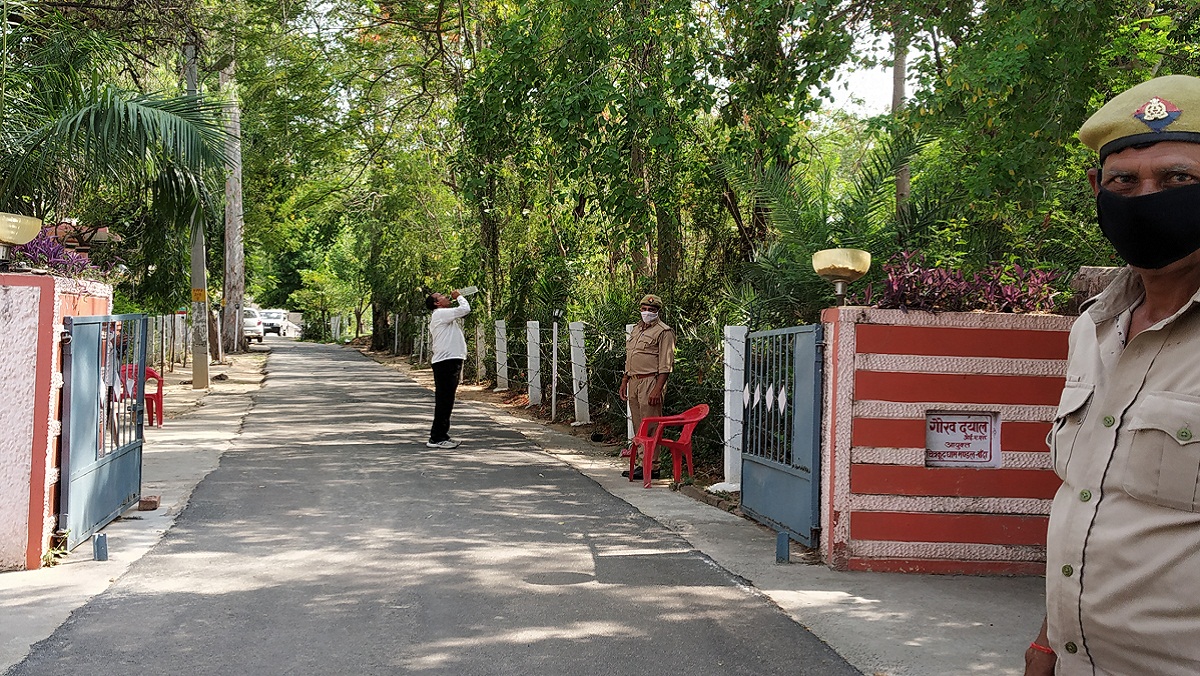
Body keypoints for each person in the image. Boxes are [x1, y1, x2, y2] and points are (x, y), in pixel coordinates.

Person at [1026, 74, 1200, 676]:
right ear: (1098, 188)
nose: (1148, 197)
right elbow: (1089, 499)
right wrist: (1048, 641)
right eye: (1125, 181)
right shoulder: (1094, 329)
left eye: (1178, 179)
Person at [619, 294, 675, 481]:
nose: (647, 312)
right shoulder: (636, 329)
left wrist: (658, 389)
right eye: (644, 309)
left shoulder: (663, 331)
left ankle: (653, 466)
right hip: (634, 380)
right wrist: (625, 380)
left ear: (658, 312)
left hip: (651, 381)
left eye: (651, 310)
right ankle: (643, 465)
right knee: (638, 425)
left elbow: (666, 364)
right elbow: (631, 356)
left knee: (651, 425)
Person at [425, 289, 470, 449]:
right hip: (446, 363)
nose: (446, 297)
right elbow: (465, 309)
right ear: (437, 303)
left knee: (446, 400)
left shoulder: (444, 316)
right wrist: (459, 296)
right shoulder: (440, 314)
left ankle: (441, 435)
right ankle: (437, 438)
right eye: (441, 296)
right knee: (444, 400)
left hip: (449, 361)